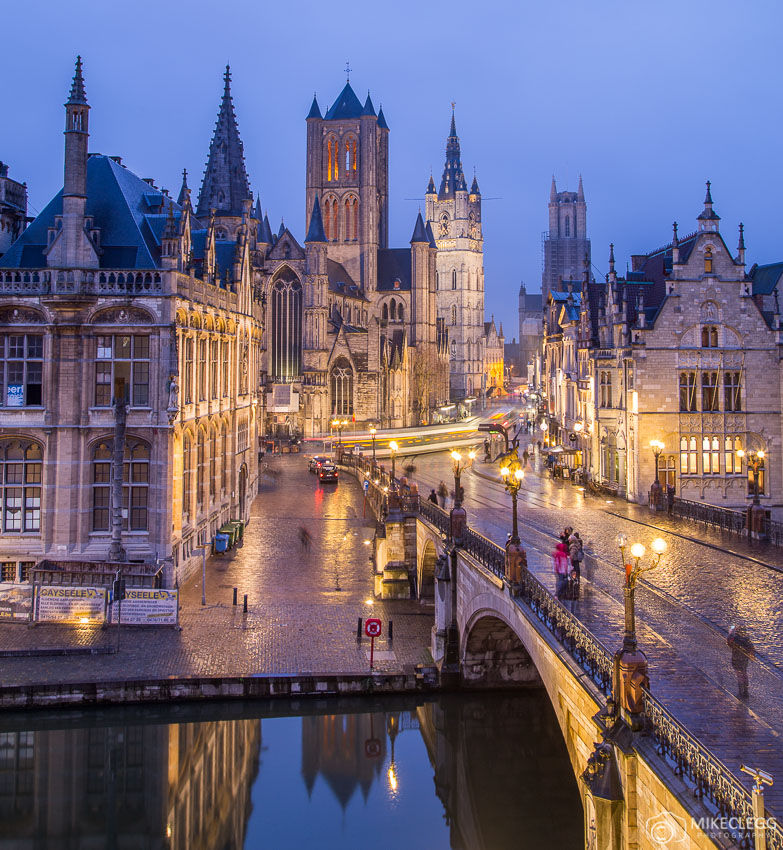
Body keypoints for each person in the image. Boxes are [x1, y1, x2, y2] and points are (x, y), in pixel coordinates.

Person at [727, 624, 754, 698]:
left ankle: (740, 691)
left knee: (739, 675)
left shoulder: (734, 639)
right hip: (744, 659)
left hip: (736, 659)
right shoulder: (747, 640)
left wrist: (730, 634)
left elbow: (729, 644)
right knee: (744, 673)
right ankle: (746, 691)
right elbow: (751, 649)